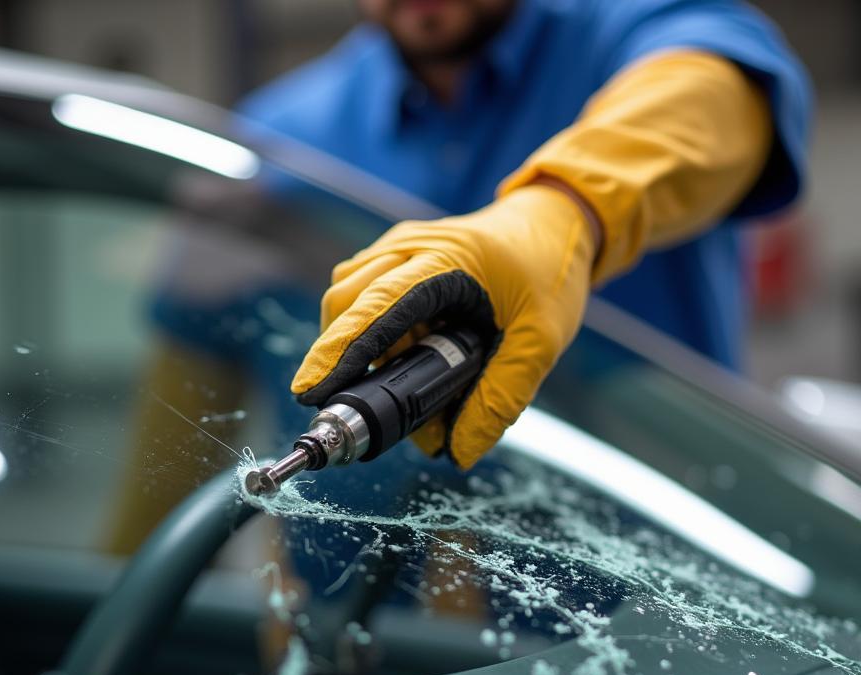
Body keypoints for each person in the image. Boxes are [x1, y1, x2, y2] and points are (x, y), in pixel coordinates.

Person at [237, 0, 812, 470]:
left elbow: (718, 90)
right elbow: (194, 363)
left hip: (660, 565)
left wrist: (567, 211)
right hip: (356, 585)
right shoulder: (281, 137)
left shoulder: (632, 26)